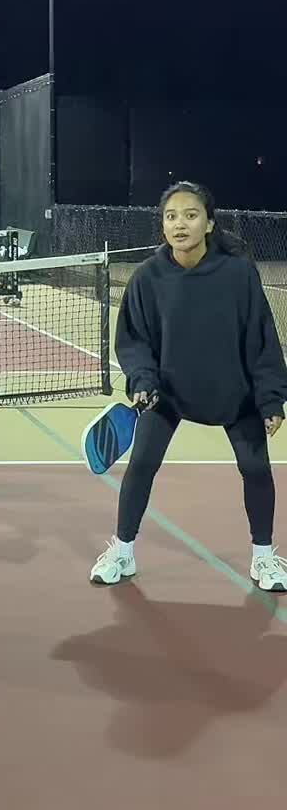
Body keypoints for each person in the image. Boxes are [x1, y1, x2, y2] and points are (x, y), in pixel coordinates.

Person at [90, 180, 287, 590]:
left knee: (255, 469)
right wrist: (142, 379)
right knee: (141, 465)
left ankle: (264, 558)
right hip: (167, 395)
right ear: (163, 224)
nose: (180, 224)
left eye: (191, 215)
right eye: (171, 216)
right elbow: (134, 340)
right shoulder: (147, 277)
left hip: (235, 393)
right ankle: (123, 552)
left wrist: (270, 399)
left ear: (209, 223)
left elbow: (261, 338)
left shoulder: (238, 274)